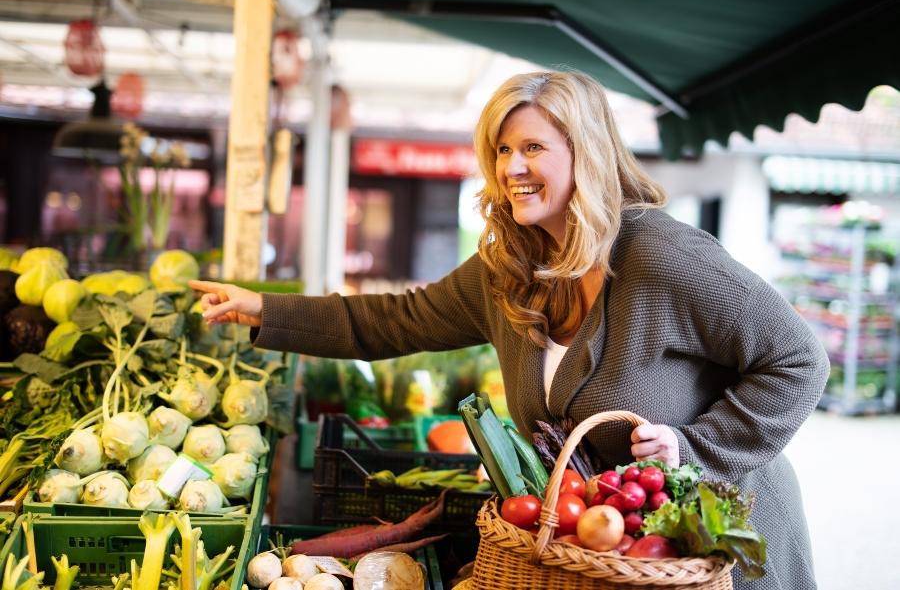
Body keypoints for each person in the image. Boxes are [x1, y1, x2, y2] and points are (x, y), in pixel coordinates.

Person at [190, 70, 828, 590]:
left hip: (718, 548)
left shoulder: (658, 255)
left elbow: (799, 361)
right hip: (610, 556)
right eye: (501, 150)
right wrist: (266, 310)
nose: (512, 167)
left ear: (586, 153)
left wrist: (691, 449)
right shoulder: (510, 269)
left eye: (532, 147)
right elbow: (393, 320)